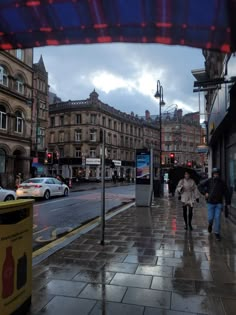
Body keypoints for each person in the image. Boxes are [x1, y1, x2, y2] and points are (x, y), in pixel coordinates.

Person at [198, 168, 231, 241]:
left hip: (219, 203)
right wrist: (204, 193)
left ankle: (217, 233)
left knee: (217, 218)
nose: (216, 175)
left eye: (217, 174)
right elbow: (199, 185)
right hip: (210, 203)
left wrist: (228, 203)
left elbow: (227, 193)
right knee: (210, 218)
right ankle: (210, 224)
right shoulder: (209, 181)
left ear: (219, 174)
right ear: (213, 174)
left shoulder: (222, 183)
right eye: (215, 174)